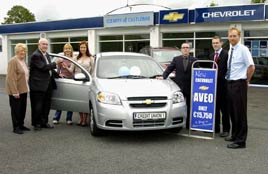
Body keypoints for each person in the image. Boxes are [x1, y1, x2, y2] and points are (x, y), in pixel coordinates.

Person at [225, 27, 255, 149]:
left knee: (240, 113)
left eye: (234, 36)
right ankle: (235, 135)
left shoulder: (243, 49)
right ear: (228, 37)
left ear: (239, 36)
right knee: (232, 112)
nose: (232, 38)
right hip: (230, 83)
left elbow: (251, 67)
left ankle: (241, 141)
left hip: (239, 84)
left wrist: (246, 80)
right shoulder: (230, 50)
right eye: (230, 36)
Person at [158, 42, 198, 129]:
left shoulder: (195, 60)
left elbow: (198, 73)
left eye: (187, 47)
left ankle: (189, 125)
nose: (185, 49)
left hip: (191, 87)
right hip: (179, 87)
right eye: (183, 48)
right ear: (181, 49)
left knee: (191, 106)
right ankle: (179, 124)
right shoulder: (176, 59)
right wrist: (163, 76)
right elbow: (169, 69)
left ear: (189, 49)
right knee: (179, 106)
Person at [29, 38, 63, 130]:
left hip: (48, 84)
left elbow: (50, 69)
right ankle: (37, 124)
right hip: (38, 85)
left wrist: (58, 75)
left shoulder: (46, 54)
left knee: (46, 105)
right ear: (38, 45)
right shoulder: (36, 55)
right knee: (38, 105)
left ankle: (44, 122)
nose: (45, 46)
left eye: (46, 44)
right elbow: (43, 67)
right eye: (43, 44)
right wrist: (55, 62)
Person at [63, 41, 94, 126]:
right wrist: (66, 68)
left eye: (84, 47)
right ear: (79, 49)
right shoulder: (75, 58)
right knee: (79, 100)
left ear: (86, 48)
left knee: (86, 101)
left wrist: (91, 79)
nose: (83, 49)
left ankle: (85, 120)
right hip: (77, 82)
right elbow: (71, 70)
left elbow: (93, 71)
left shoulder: (91, 58)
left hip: (87, 82)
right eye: (81, 47)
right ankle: (81, 119)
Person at [5, 43, 31, 134]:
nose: (23, 52)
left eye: (24, 51)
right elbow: (10, 78)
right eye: (21, 51)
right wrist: (14, 92)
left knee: (22, 109)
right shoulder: (13, 61)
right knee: (16, 109)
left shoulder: (23, 61)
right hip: (16, 91)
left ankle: (21, 125)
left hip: (24, 89)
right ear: (16, 51)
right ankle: (16, 127)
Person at [210, 36, 230, 137]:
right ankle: (216, 128)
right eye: (213, 43)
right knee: (215, 109)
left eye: (217, 43)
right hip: (214, 87)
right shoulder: (211, 55)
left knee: (224, 109)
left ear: (221, 43)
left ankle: (226, 129)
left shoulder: (226, 54)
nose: (215, 45)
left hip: (224, 87)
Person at [53, 43, 74, 125]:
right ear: (63, 50)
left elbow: (73, 72)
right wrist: (59, 75)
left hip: (71, 81)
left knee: (70, 100)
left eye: (69, 48)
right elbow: (57, 71)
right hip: (63, 80)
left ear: (71, 50)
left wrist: (66, 68)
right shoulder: (60, 59)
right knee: (61, 99)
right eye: (66, 48)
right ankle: (56, 118)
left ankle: (69, 118)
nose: (67, 50)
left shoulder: (73, 59)